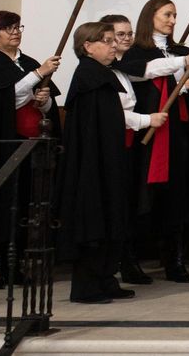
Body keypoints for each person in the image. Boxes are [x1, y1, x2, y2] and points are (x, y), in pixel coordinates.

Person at [114, 0, 189, 283]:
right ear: (150, 16)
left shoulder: (179, 50)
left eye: (175, 15)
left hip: (177, 131)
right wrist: (182, 83)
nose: (172, 20)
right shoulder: (136, 52)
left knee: (176, 195)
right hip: (148, 132)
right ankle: (130, 260)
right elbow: (149, 72)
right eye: (167, 14)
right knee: (141, 195)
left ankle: (174, 259)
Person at [56, 22, 131, 303]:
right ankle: (87, 285)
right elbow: (89, 132)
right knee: (94, 215)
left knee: (111, 213)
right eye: (108, 40)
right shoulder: (89, 78)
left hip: (107, 158)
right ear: (88, 46)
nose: (114, 45)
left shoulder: (101, 75)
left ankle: (105, 277)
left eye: (114, 40)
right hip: (92, 163)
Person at [0, 11, 60, 284]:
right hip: (5, 145)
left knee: (25, 206)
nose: (15, 32)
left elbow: (45, 104)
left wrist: (44, 100)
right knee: (2, 206)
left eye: (18, 27)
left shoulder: (28, 63)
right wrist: (38, 75)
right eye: (8, 28)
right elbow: (7, 101)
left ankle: (13, 266)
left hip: (31, 146)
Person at [99, 14, 170, 286]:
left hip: (130, 147)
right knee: (116, 206)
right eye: (119, 34)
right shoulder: (102, 71)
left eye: (129, 33)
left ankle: (128, 260)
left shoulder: (125, 67)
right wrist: (147, 120)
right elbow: (115, 112)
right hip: (114, 146)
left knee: (129, 206)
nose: (126, 38)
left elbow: (153, 69)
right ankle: (119, 262)